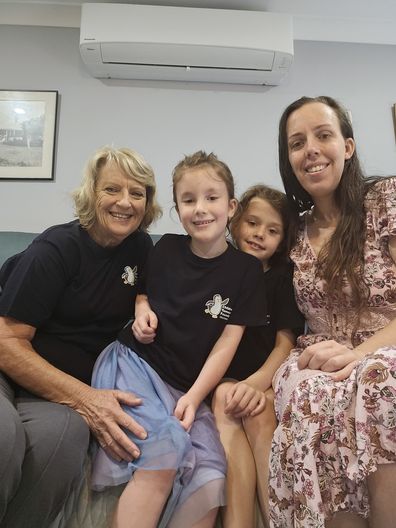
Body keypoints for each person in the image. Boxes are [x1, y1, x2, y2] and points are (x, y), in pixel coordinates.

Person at [90, 150, 267, 528]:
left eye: (211, 197)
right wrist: (141, 313)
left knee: (212, 472)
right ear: (177, 208)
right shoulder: (166, 247)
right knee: (166, 448)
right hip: (136, 365)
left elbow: (227, 341)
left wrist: (194, 397)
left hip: (186, 387)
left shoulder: (246, 270)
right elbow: (142, 293)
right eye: (188, 200)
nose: (200, 209)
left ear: (231, 205)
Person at [0, 146, 161, 528]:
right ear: (91, 193)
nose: (124, 202)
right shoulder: (55, 250)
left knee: (65, 439)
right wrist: (87, 399)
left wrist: (142, 304)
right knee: (4, 438)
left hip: (53, 392)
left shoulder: (139, 247)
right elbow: (7, 342)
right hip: (8, 371)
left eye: (137, 193)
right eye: (112, 190)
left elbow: (148, 290)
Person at [269, 95, 396, 528]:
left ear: (348, 146)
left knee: (378, 380)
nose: (311, 150)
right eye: (296, 142)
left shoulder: (384, 201)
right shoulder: (292, 230)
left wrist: (359, 355)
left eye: (323, 135)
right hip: (318, 358)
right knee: (311, 393)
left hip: (386, 349)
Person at [211, 184, 304, 528]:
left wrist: (255, 384)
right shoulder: (217, 271)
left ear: (283, 239)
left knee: (259, 409)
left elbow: (285, 343)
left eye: (272, 230)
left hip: (266, 376)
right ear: (234, 221)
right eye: (253, 223)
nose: (259, 234)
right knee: (224, 397)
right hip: (224, 378)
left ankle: (278, 519)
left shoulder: (281, 279)